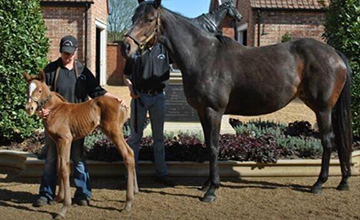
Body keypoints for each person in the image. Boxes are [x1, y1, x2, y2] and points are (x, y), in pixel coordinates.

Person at [33, 35, 123, 207]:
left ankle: (83, 193)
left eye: (71, 53)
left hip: (77, 121)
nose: (68, 57)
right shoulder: (51, 70)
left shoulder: (82, 71)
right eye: (65, 53)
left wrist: (116, 99)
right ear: (61, 52)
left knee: (78, 157)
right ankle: (46, 193)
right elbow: (40, 95)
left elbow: (97, 91)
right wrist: (40, 111)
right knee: (52, 158)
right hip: (55, 122)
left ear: (75, 52)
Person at [123, 42, 175, 186]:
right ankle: (131, 175)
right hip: (139, 97)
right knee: (135, 138)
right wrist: (130, 87)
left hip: (159, 97)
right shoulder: (136, 50)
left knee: (158, 138)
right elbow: (126, 74)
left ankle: (161, 173)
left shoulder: (164, 49)